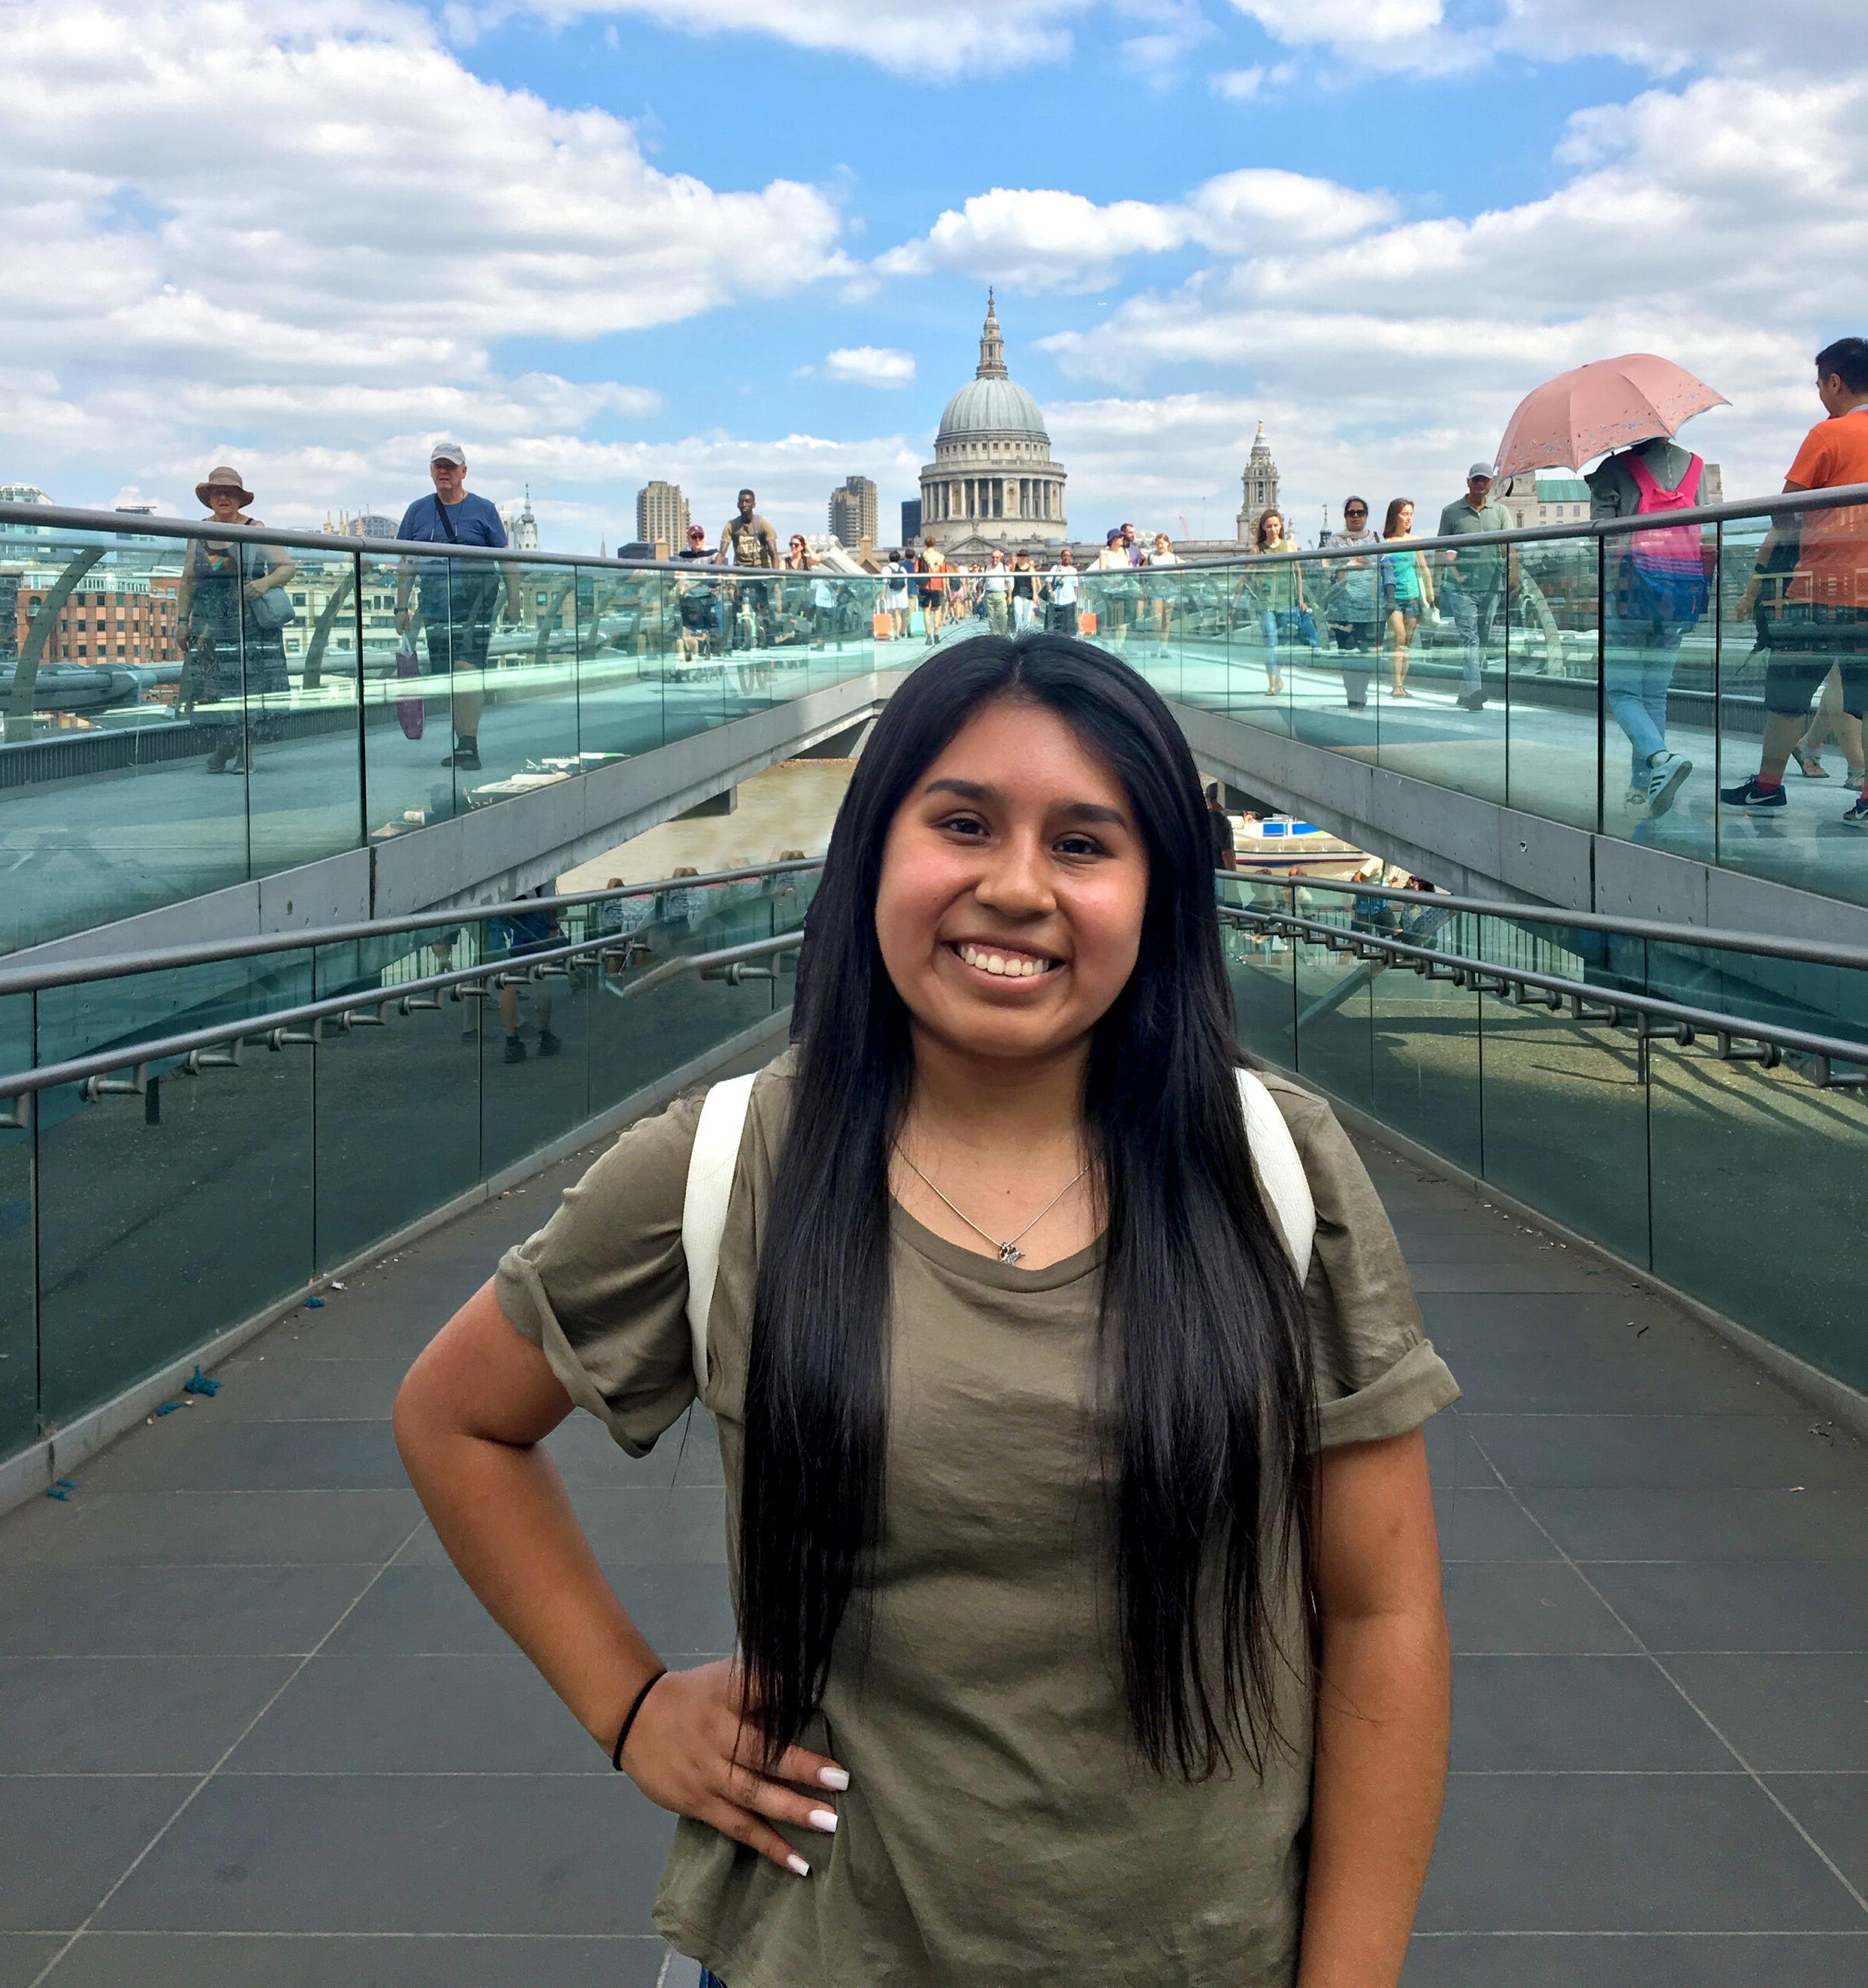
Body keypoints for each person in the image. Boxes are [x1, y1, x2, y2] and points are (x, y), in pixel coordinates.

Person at [394, 631, 1457, 1988]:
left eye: (1085, 844)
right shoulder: (724, 1165)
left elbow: (1382, 1613)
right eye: (963, 824)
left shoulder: (1273, 1170)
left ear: (1161, 894)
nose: (1015, 888)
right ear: (873, 856)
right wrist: (635, 1706)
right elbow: (454, 1420)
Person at [1722, 336, 1868, 824]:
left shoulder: (1828, 435)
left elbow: (1785, 513)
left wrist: (1760, 581)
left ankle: (1768, 787)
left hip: (1818, 589)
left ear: (1835, 381)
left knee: (1788, 694)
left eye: (1820, 384)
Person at [1588, 438, 1709, 818]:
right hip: (1680, 596)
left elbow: (1601, 535)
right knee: (1655, 695)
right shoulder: (1696, 467)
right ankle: (1643, 784)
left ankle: (1659, 759)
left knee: (1623, 692)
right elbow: (1703, 533)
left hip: (1631, 594)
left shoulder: (1616, 468)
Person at [394, 443, 517, 773]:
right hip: (435, 598)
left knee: (466, 668)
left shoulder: (484, 509)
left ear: (464, 471)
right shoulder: (417, 511)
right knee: (447, 673)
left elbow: (508, 559)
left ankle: (469, 745)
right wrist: (400, 607)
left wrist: (515, 601)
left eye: (451, 466)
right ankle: (462, 742)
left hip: (475, 596)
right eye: (439, 466)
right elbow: (406, 562)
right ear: (431, 471)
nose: (444, 471)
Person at [176, 466, 296, 775]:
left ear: (241, 500)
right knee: (214, 693)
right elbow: (188, 578)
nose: (224, 497)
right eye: (218, 492)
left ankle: (245, 754)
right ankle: (224, 747)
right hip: (209, 630)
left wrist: (263, 584)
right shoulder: (198, 533)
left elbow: (286, 567)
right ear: (210, 498)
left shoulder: (256, 528)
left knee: (248, 691)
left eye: (230, 492)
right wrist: (181, 621)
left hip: (250, 627)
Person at [1435, 464, 1514, 711]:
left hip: (1491, 585)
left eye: (1485, 480)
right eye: (1476, 480)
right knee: (1470, 637)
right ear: (1468, 482)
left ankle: (1465, 692)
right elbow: (1441, 550)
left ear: (1491, 484)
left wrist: (1515, 576)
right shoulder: (1450, 512)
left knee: (1483, 638)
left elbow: (1511, 546)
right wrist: (1450, 576)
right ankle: (1476, 692)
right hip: (1461, 588)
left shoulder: (1501, 512)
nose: (1481, 484)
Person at [1320, 498, 1381, 710]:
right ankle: (1352, 697)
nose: (1356, 516)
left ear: (1366, 515)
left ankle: (1361, 694)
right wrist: (1357, 562)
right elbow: (1327, 570)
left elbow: (1379, 567)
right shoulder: (1334, 541)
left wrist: (1348, 564)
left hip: (1369, 608)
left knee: (1366, 656)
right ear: (1345, 516)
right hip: (1342, 610)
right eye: (1352, 513)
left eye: (1360, 512)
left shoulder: (1375, 539)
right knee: (1347, 655)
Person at [489, 886, 562, 1064]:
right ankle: (545, 1035)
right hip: (533, 917)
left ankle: (511, 1041)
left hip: (498, 918)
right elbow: (549, 900)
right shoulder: (541, 871)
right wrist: (553, 925)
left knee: (507, 982)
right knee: (542, 976)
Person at [1238, 508, 1306, 697]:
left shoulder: (1290, 546)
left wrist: (1301, 598)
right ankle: (1272, 682)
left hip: (1286, 602)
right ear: (1263, 528)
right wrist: (1235, 603)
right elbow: (1245, 577)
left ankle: (1278, 676)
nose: (1273, 529)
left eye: (1276, 525)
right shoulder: (1257, 550)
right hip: (1265, 603)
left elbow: (1298, 573)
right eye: (1269, 526)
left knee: (1282, 643)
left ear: (1281, 526)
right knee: (1270, 641)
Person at [1377, 499, 1433, 700]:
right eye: (1404, 514)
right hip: (1394, 599)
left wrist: (1430, 593)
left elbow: (1424, 568)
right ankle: (1396, 684)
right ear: (1395, 516)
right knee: (1398, 638)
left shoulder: (1415, 540)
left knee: (1407, 642)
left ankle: (1402, 683)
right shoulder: (1386, 544)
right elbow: (1382, 573)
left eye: (1411, 514)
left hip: (1412, 597)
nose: (1408, 518)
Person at [717, 489, 780, 653]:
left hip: (761, 572)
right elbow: (721, 553)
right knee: (735, 607)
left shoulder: (762, 524)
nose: (744, 505)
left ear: (754, 504)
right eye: (741, 501)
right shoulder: (732, 525)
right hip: (742, 572)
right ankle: (735, 642)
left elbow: (774, 552)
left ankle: (768, 642)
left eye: (747, 501)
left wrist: (776, 576)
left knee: (763, 611)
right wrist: (715, 575)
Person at [1092, 527, 1134, 645]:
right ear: (1113, 539)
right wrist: (1113, 582)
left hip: (1125, 589)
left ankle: (1119, 647)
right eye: (1119, 537)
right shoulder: (1104, 553)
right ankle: (1106, 646)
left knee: (1123, 621)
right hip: (1110, 591)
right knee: (1111, 620)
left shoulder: (1126, 552)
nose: (1122, 539)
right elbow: (1102, 572)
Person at [1148, 531, 1181, 659]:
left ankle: (1164, 648)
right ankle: (1155, 646)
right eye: (1157, 544)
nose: (1160, 546)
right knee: (1156, 620)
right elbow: (1143, 572)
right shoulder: (1151, 557)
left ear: (1168, 543)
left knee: (1166, 622)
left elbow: (1181, 571)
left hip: (1170, 591)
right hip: (1155, 592)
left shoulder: (1174, 558)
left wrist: (1172, 573)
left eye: (1162, 544)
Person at [1044, 545, 1081, 636]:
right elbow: (1048, 581)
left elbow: (1076, 586)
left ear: (1071, 558)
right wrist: (1050, 592)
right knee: (1056, 624)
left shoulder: (1074, 570)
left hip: (1069, 600)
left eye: (1069, 556)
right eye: (1065, 555)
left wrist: (1076, 598)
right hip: (1056, 600)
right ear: (1061, 557)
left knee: (1068, 624)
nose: (1067, 557)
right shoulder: (1055, 568)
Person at [919, 537, 949, 643]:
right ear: (935, 544)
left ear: (925, 544)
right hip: (938, 586)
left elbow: (916, 572)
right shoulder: (941, 557)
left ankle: (929, 636)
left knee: (926, 612)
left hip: (925, 586)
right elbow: (944, 575)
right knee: (937, 610)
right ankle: (936, 632)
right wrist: (945, 589)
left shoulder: (921, 557)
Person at [1205, 780, 1237, 871]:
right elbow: (1227, 853)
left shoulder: (1200, 817)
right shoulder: (1223, 823)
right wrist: (1233, 877)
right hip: (1219, 873)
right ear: (1217, 800)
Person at [981, 547, 1012, 637]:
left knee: (1002, 615)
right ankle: (995, 635)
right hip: (989, 594)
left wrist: (1010, 596)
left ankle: (1002, 635)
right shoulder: (987, 567)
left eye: (997, 557)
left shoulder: (1004, 568)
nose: (995, 559)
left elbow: (1008, 582)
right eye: (993, 557)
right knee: (991, 617)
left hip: (1000, 594)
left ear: (1000, 558)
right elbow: (984, 582)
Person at [1009, 551, 1038, 634]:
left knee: (1027, 615)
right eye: (1021, 555)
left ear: (1027, 557)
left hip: (1028, 592)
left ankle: (1026, 632)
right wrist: (1014, 563)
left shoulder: (1030, 568)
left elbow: (1033, 581)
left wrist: (1035, 594)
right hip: (1018, 592)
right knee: (1018, 612)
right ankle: (1019, 631)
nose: (1023, 557)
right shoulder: (1015, 566)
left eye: (1025, 556)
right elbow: (1010, 571)